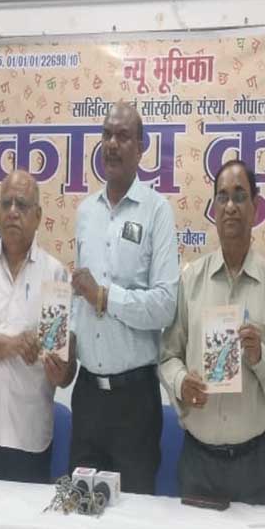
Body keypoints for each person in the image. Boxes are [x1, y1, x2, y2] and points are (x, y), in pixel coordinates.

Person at [159, 160, 265, 504]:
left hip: (256, 463)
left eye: (240, 196)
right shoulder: (190, 281)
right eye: (222, 197)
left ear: (256, 207)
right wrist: (181, 383)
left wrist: (260, 357)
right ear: (213, 209)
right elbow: (167, 356)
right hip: (198, 462)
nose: (230, 207)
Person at [70, 101, 179, 494]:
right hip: (86, 396)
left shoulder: (157, 212)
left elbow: (165, 305)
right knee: (79, 512)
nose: (112, 144)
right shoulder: (86, 212)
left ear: (141, 148)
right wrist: (65, 345)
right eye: (106, 135)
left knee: (133, 518)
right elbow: (77, 299)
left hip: (135, 401)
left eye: (123, 136)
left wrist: (104, 297)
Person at [0, 170, 75, 483]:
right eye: (5, 203)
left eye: (21, 204)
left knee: (26, 516)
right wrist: (12, 345)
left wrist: (60, 370)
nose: (12, 212)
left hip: (29, 434)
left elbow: (65, 372)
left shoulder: (55, 274)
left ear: (38, 216)